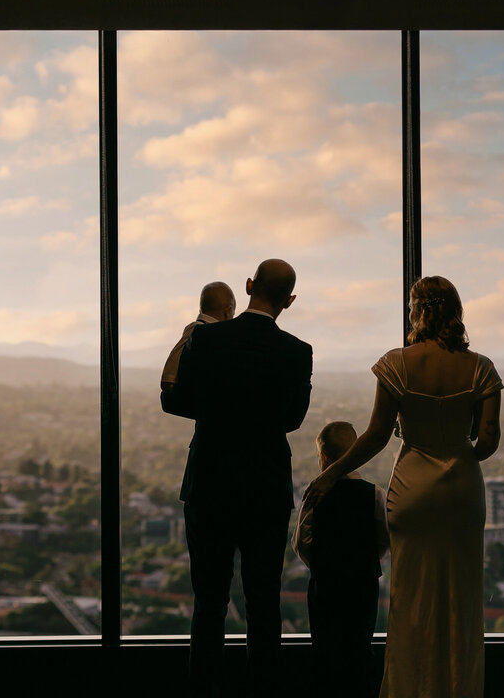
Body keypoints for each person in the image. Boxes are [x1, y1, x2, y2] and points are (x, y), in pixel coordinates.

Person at [303, 276, 502, 698]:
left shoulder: (395, 364)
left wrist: (329, 474)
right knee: (461, 599)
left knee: (411, 600)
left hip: (412, 489)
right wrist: (457, 454)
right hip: (463, 493)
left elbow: (375, 436)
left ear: (418, 311)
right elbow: (487, 442)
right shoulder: (481, 368)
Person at [161, 259, 313, 698]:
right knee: (263, 602)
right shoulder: (297, 352)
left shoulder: (206, 339)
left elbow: (178, 400)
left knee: (209, 602)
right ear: (290, 300)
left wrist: (215, 407)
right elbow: (293, 419)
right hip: (265, 489)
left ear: (248, 285)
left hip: (209, 485)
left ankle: (203, 688)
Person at [292, 421, 390, 698]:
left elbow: (301, 543)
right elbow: (385, 538)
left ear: (323, 457)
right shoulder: (375, 494)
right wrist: (368, 559)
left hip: (326, 585)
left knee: (325, 651)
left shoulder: (315, 494)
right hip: (363, 584)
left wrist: (323, 563)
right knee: (360, 647)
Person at [160, 281, 236, 393]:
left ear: (200, 310)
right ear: (228, 311)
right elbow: (168, 379)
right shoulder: (195, 329)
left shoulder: (194, 330)